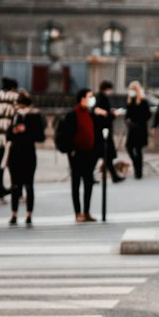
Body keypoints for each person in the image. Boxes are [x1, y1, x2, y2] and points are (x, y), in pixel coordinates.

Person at [55, 88, 102, 222]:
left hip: (90, 153)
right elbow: (66, 134)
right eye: (89, 96)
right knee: (76, 183)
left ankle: (86, 211)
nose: (92, 99)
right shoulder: (73, 115)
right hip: (77, 153)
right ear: (82, 99)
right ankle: (78, 212)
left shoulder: (92, 114)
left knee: (88, 182)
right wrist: (71, 149)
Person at [6, 90, 46, 226]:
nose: (20, 109)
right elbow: (8, 136)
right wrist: (14, 131)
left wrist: (26, 129)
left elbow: (40, 136)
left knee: (29, 184)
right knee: (15, 185)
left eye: (22, 106)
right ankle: (14, 214)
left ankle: (29, 214)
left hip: (28, 152)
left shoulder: (35, 116)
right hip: (15, 152)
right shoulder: (15, 115)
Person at [95, 81, 122, 183]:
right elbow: (103, 114)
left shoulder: (101, 97)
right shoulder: (101, 97)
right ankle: (114, 176)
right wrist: (113, 114)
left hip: (104, 131)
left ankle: (114, 176)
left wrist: (110, 112)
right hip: (103, 131)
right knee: (103, 154)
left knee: (106, 156)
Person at [124, 82, 152, 179]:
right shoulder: (130, 101)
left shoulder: (143, 101)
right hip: (132, 129)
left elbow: (148, 115)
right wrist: (127, 120)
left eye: (133, 89)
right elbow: (127, 114)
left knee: (138, 149)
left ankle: (138, 172)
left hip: (140, 129)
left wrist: (138, 121)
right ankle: (137, 166)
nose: (131, 91)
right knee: (129, 147)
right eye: (130, 89)